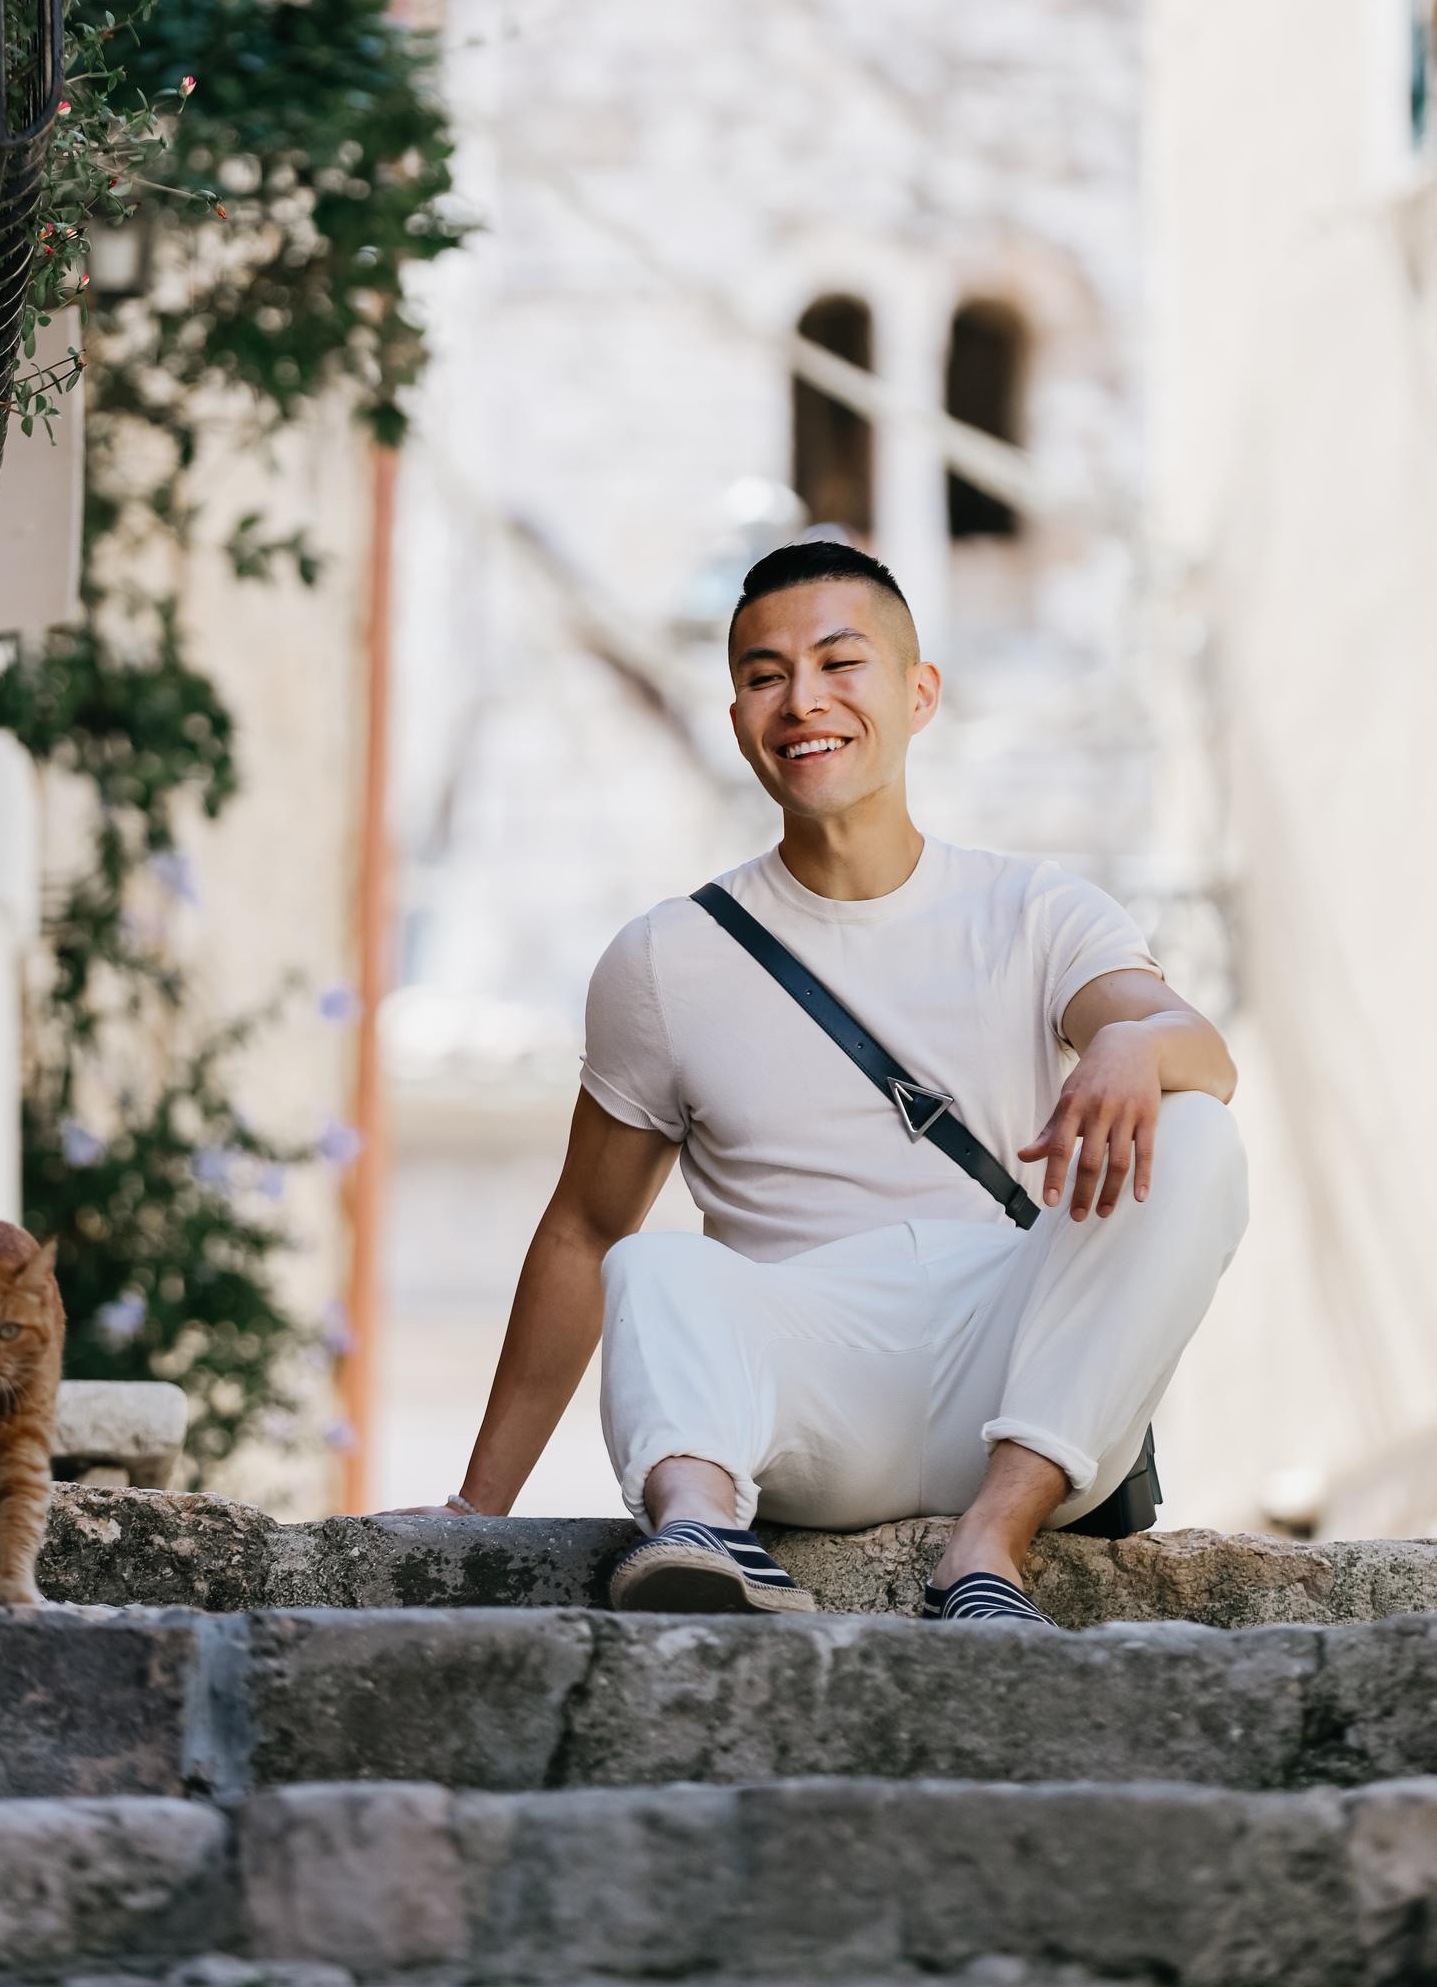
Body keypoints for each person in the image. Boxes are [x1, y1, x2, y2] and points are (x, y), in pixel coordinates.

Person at [403, 540, 1247, 1625]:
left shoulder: (1036, 911)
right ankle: (700, 1528)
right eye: (764, 674)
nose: (802, 700)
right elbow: (581, 1228)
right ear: (738, 711)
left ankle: (989, 1549)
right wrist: (477, 1506)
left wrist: (1136, 1043)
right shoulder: (668, 958)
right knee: (656, 1268)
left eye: (840, 663)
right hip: (801, 1385)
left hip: (1016, 1372)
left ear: (917, 691)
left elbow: (1200, 1050)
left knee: (1201, 1134)